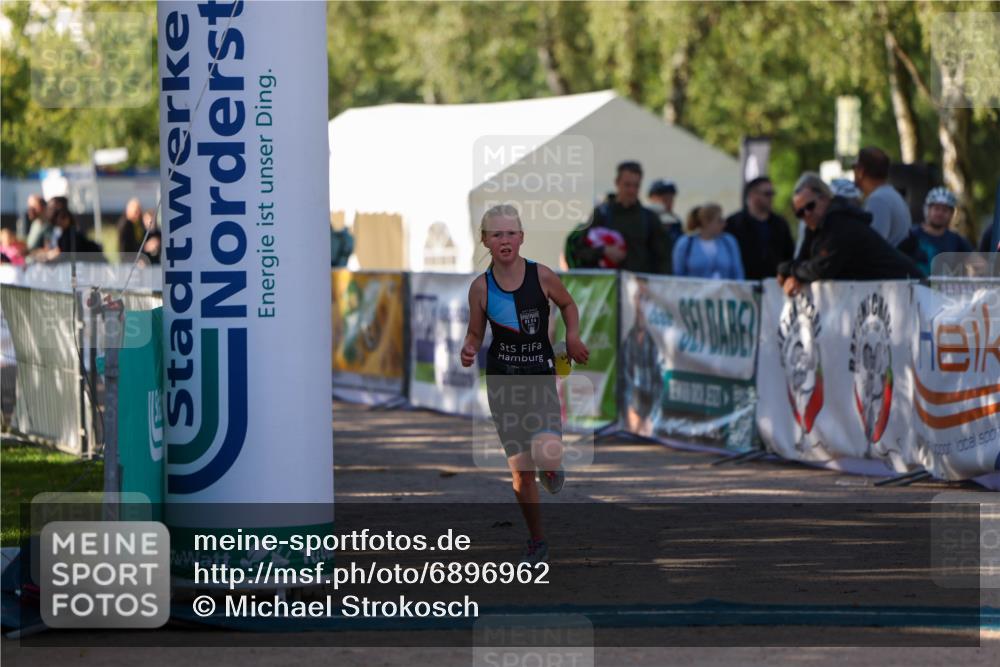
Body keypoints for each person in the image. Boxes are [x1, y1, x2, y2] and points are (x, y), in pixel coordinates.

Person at [461, 204, 589, 565]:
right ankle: (537, 540)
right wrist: (469, 347)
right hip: (503, 383)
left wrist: (574, 337)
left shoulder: (542, 275)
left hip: (540, 377)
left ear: (522, 238)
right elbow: (475, 332)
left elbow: (568, 305)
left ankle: (552, 463)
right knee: (520, 471)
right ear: (485, 240)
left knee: (546, 450)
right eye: (496, 234)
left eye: (511, 233)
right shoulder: (480, 288)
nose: (505, 239)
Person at [778, 173, 923, 297]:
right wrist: (792, 273)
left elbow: (822, 268)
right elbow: (803, 261)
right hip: (886, 292)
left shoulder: (840, 224)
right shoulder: (815, 227)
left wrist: (792, 271)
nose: (806, 214)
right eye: (800, 212)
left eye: (810, 206)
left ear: (824, 198)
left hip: (907, 288)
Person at [566, 161, 671, 273]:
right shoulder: (601, 214)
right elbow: (575, 249)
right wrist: (603, 251)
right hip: (608, 286)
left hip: (639, 286)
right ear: (617, 183)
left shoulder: (649, 219)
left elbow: (663, 259)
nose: (632, 191)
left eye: (636, 186)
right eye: (627, 185)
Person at [725, 176, 794, 280]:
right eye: (767, 194)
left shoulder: (780, 224)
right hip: (742, 287)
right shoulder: (733, 223)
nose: (771, 197)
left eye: (772, 193)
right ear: (753, 195)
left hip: (774, 286)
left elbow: (789, 254)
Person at [903, 187, 973, 275]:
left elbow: (979, 264)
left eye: (945, 210)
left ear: (951, 214)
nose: (940, 213)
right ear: (927, 210)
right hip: (915, 287)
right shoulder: (911, 234)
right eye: (936, 208)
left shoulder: (956, 240)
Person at [853, 146, 911, 247]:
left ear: (861, 171)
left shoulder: (878, 200)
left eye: (854, 167)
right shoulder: (890, 194)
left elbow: (873, 247)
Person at [672, 204, 745, 280]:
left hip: (724, 290)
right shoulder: (686, 243)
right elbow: (678, 274)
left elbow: (738, 273)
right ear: (706, 222)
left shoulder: (728, 241)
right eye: (719, 220)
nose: (724, 224)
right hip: (696, 291)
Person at [647, 179, 683, 245]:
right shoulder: (644, 221)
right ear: (652, 198)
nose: (669, 203)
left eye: (671, 199)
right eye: (665, 199)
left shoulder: (676, 223)